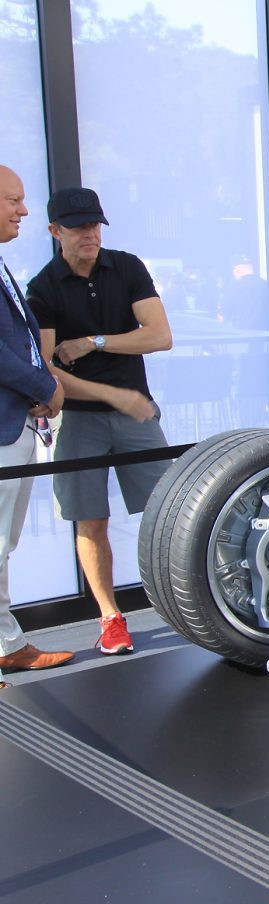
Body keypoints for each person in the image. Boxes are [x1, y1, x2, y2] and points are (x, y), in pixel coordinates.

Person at [26, 186, 173, 656]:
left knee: (168, 512)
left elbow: (160, 336)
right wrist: (114, 394)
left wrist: (94, 342)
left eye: (94, 224)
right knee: (90, 521)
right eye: (77, 227)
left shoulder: (126, 267)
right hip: (79, 420)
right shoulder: (43, 288)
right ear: (55, 231)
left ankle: (186, 601)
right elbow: (47, 371)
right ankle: (111, 617)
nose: (89, 234)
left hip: (137, 414)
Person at [0, 165, 73, 685]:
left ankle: (6, 644)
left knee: (2, 543)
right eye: (13, 200)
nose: (24, 210)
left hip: (14, 423)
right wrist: (44, 387)